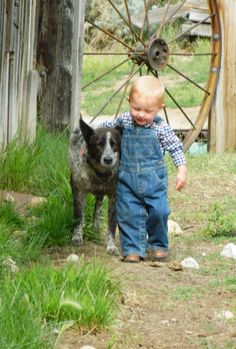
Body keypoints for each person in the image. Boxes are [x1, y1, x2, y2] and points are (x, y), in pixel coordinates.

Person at [100, 75, 187, 263]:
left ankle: (157, 244)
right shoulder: (123, 121)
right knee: (128, 212)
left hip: (154, 181)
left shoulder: (160, 128)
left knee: (159, 212)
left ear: (159, 109)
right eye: (136, 108)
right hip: (127, 179)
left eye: (147, 111)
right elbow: (105, 127)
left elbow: (175, 147)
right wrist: (90, 138)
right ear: (129, 102)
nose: (140, 114)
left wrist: (181, 170)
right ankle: (132, 248)